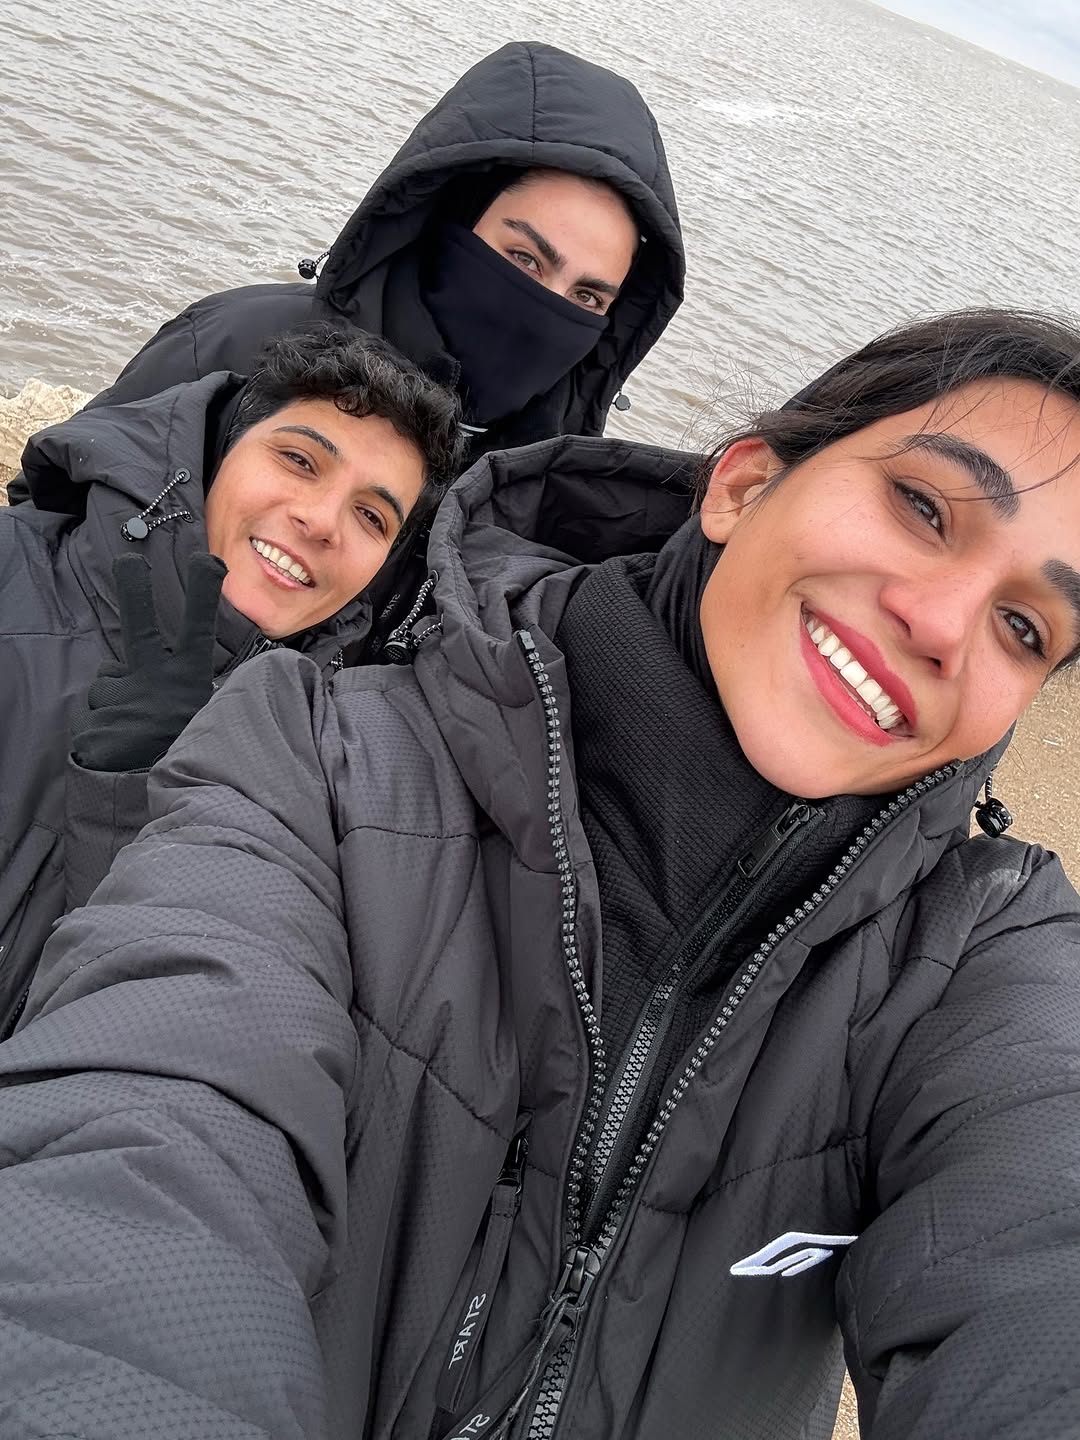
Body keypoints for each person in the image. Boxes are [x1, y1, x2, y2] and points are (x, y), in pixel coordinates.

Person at [2, 308, 1080, 1440]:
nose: (944, 625)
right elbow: (150, 1132)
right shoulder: (316, 759)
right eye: (924, 507)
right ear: (743, 485)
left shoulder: (986, 958)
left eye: (1025, 626)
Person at [0, 324, 460, 1034]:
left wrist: (128, 804)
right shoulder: (12, 578)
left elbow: (139, 1023)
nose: (322, 521)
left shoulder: (320, 771)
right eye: (299, 460)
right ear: (219, 451)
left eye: (371, 516)